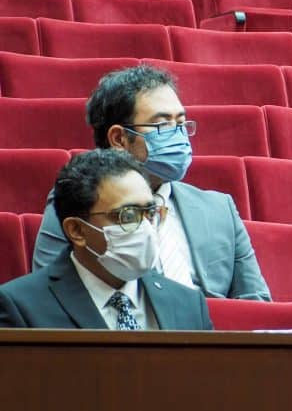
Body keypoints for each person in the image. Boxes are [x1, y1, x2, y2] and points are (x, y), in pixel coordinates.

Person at [32, 65, 270, 301]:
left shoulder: (220, 208)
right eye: (163, 124)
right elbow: (48, 299)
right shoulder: (80, 200)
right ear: (119, 138)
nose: (178, 135)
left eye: (181, 123)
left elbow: (257, 305)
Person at [0, 149, 213, 329]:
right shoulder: (20, 307)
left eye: (149, 212)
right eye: (127, 216)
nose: (146, 228)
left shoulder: (189, 304)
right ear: (77, 230)